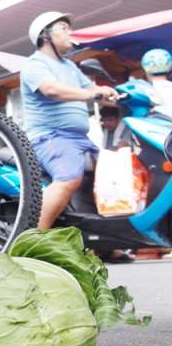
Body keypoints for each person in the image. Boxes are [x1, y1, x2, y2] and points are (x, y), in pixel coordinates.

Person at [21, 12, 118, 230]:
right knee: (69, 178)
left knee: (111, 178)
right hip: (50, 136)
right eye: (63, 28)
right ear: (46, 35)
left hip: (80, 139)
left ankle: (105, 242)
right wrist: (93, 95)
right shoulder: (34, 64)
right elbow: (51, 89)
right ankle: (33, 239)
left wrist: (112, 94)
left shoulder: (69, 66)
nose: (69, 33)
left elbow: (92, 90)